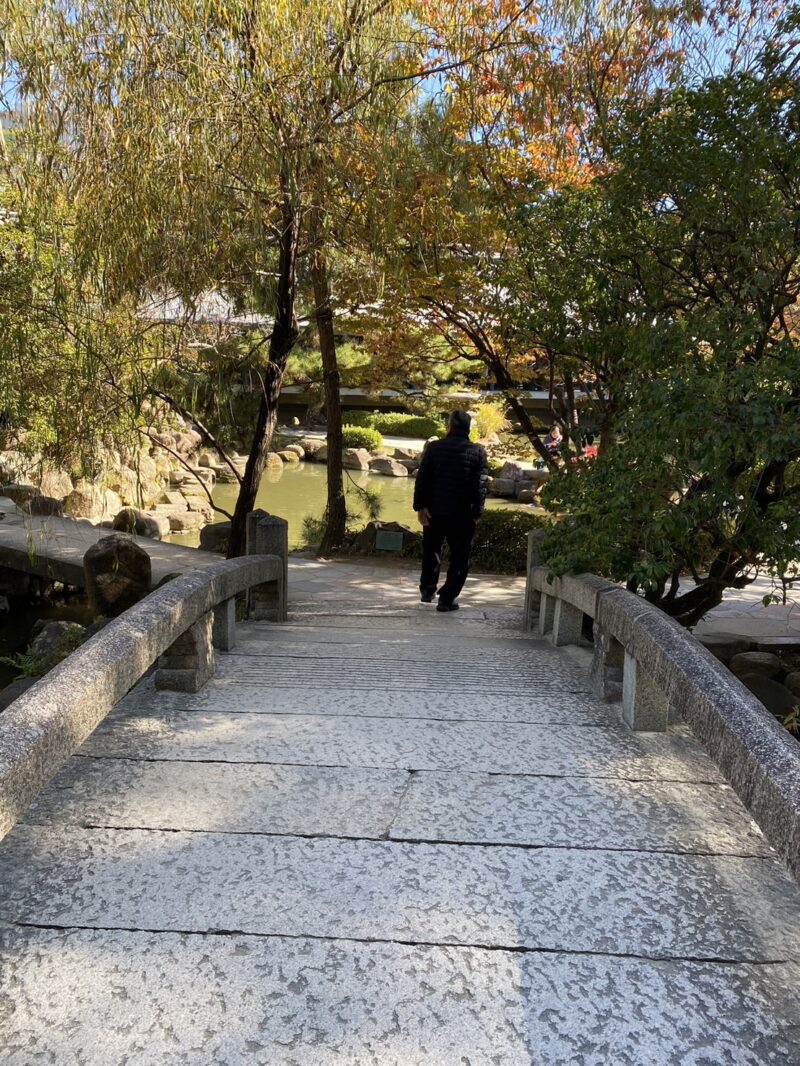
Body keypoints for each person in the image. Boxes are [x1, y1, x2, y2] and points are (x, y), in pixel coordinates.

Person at [413, 410, 489, 612]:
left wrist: (420, 506)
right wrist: (477, 513)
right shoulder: (478, 452)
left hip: (434, 511)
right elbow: (480, 486)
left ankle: (427, 590)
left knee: (431, 551)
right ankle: (447, 598)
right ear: (468, 428)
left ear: (449, 427)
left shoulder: (434, 448)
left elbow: (423, 479)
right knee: (460, 558)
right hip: (463, 515)